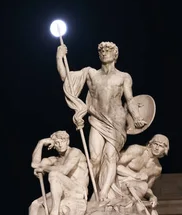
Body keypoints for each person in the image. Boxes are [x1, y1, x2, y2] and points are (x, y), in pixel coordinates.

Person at [56, 42, 146, 202]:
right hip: (96, 118)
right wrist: (59, 56)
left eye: (108, 50)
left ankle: (103, 194)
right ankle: (94, 191)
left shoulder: (123, 76)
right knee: (95, 158)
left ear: (115, 54)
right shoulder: (91, 73)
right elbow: (66, 79)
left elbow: (130, 99)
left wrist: (137, 117)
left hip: (117, 122)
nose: (105, 53)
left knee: (110, 157)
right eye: (102, 51)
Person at [29, 131, 89, 215]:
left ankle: (54, 214)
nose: (60, 145)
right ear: (53, 145)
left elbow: (64, 170)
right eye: (57, 142)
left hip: (78, 190)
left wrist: (44, 168)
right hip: (64, 191)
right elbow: (35, 164)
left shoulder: (75, 152)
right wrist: (41, 142)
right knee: (35, 205)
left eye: (63, 141)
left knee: (54, 174)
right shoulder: (55, 159)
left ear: (67, 141)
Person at [110, 134, 170, 215]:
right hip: (118, 182)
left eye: (161, 146)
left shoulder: (157, 168)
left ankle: (128, 209)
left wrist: (152, 196)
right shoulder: (137, 150)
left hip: (134, 190)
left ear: (165, 150)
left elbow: (147, 188)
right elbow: (116, 166)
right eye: (155, 144)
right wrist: (135, 175)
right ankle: (126, 209)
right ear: (150, 143)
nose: (157, 148)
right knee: (142, 186)